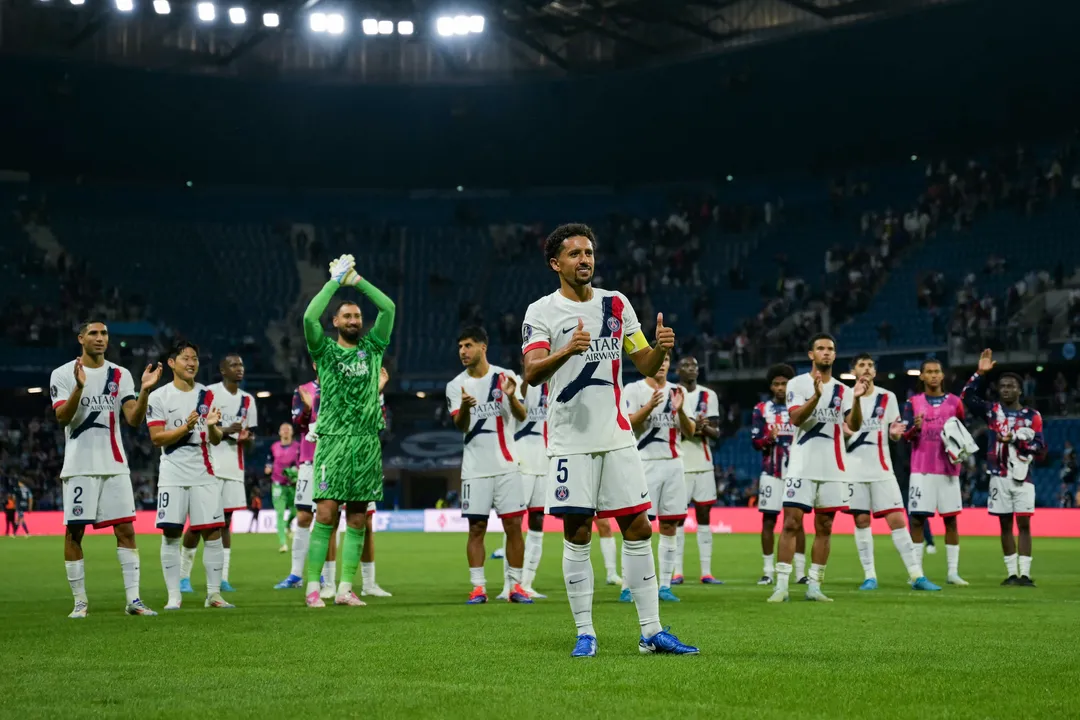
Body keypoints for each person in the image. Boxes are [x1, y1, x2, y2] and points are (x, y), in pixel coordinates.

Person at [521, 223, 697, 657]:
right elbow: (531, 371)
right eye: (575, 254)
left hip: (617, 437)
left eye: (589, 252)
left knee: (638, 526)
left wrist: (662, 349)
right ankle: (586, 632)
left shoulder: (616, 305)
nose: (585, 260)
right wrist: (566, 351)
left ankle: (652, 631)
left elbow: (643, 361)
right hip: (569, 440)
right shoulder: (540, 311)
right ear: (555, 263)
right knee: (578, 531)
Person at [301, 254, 395, 607]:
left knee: (358, 516)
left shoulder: (373, 349)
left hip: (367, 442)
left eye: (357, 316)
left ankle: (344, 589)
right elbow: (309, 316)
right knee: (325, 512)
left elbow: (388, 308)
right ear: (336, 321)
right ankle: (313, 587)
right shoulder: (323, 351)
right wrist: (334, 283)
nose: (354, 320)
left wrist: (356, 282)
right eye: (348, 316)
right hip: (334, 442)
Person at [50, 319, 161, 618]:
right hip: (79, 466)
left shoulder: (120, 374)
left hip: (114, 465)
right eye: (94, 334)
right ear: (81, 339)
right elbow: (62, 417)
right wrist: (79, 387)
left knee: (126, 530)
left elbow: (134, 420)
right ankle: (80, 603)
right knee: (74, 533)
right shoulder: (62, 374)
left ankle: (134, 600)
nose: (100, 338)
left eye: (104, 333)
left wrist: (145, 391)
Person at [767, 333, 867, 603]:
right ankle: (782, 586)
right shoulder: (798, 384)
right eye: (820, 348)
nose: (826, 353)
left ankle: (814, 585)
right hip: (801, 465)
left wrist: (856, 400)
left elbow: (854, 425)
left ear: (835, 355)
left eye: (830, 349)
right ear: (811, 354)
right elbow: (797, 418)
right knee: (791, 523)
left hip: (833, 467)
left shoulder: (844, 390)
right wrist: (815, 396)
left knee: (825, 526)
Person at [447, 326, 532, 604]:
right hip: (475, 469)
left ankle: (516, 586)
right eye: (460, 346)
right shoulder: (455, 385)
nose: (463, 351)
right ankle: (478, 587)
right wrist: (468, 408)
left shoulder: (506, 377)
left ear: (483, 347)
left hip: (507, 465)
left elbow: (521, 416)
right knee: (476, 529)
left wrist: (509, 396)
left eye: (468, 345)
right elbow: (460, 426)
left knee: (513, 527)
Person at [146, 340, 231, 610]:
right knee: (171, 533)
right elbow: (157, 438)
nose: (192, 363)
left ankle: (214, 595)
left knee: (213, 532)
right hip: (172, 472)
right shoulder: (159, 396)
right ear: (172, 363)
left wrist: (215, 427)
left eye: (194, 358)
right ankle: (174, 596)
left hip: (203, 470)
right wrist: (185, 427)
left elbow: (215, 439)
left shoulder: (207, 395)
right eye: (185, 358)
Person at [844, 354, 940, 591]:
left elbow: (894, 432)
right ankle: (870, 576)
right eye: (861, 365)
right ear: (854, 371)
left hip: (882, 469)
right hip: (854, 470)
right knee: (862, 520)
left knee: (897, 519)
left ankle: (917, 575)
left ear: (875, 371)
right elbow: (844, 432)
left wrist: (895, 434)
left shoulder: (888, 397)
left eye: (870, 365)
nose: (866, 369)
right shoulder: (845, 397)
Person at [962, 349, 1045, 586]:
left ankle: (1026, 575)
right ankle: (1011, 574)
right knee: (1005, 523)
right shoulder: (992, 412)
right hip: (998, 475)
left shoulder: (1032, 416)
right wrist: (979, 373)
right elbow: (966, 397)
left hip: (1023, 477)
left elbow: (1040, 447)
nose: (1006, 389)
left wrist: (1017, 441)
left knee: (1025, 524)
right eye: (1003, 386)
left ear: (1020, 390)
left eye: (1011, 386)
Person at [179, 353, 258, 593]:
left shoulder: (248, 400)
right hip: (209, 467)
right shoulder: (209, 393)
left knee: (225, 524)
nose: (239, 368)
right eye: (234, 365)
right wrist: (225, 429)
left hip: (234, 469)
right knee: (198, 524)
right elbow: (199, 427)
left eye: (241, 364)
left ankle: (222, 577)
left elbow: (250, 441)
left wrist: (246, 438)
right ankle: (183, 577)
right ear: (223, 370)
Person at [622, 355, 696, 602]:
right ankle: (627, 585)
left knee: (669, 525)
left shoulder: (678, 391)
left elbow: (690, 431)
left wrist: (681, 410)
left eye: (666, 360)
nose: (663, 364)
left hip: (674, 464)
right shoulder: (633, 389)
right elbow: (628, 423)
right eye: (659, 359)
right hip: (643, 464)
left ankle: (664, 585)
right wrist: (650, 406)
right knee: (636, 526)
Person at [902, 358, 966, 584]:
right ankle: (916, 573)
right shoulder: (913, 402)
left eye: (937, 371)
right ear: (921, 376)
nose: (933, 375)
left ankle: (952, 572)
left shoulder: (955, 403)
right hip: (921, 470)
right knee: (918, 520)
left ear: (942, 375)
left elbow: (961, 433)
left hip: (949, 470)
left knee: (951, 521)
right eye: (928, 372)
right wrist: (914, 429)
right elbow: (905, 435)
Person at [274, 373, 336, 599]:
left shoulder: (340, 385)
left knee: (328, 517)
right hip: (309, 461)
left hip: (333, 460)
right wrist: (308, 409)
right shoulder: (303, 389)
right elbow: (298, 423)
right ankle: (295, 575)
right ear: (314, 362)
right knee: (302, 516)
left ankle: (326, 578)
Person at [750, 364, 806, 585]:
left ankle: (800, 573)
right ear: (771, 386)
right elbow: (755, 442)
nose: (780, 387)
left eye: (784, 383)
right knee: (769, 521)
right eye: (776, 383)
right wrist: (769, 438)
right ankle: (767, 571)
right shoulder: (761, 409)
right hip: (771, 473)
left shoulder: (800, 408)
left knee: (798, 522)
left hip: (797, 472)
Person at [673, 356, 723, 586]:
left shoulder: (708, 395)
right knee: (677, 519)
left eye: (694, 365)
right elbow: (675, 431)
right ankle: (677, 572)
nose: (691, 369)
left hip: (703, 463)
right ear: (678, 370)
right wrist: (698, 427)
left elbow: (716, 432)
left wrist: (693, 428)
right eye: (686, 366)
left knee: (704, 516)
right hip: (679, 464)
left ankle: (706, 572)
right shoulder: (671, 392)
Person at [510, 375, 550, 598]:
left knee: (538, 520)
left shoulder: (554, 384)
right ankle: (511, 583)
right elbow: (521, 401)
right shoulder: (516, 382)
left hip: (545, 460)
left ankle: (527, 583)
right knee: (514, 522)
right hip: (522, 459)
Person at [267, 423, 300, 553]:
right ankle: (283, 544)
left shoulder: (298, 447)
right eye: (283, 429)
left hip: (293, 484)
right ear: (279, 433)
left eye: (288, 429)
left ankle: (288, 525)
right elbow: (269, 461)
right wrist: (268, 468)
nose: (285, 431)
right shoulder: (274, 447)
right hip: (278, 484)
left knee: (295, 511)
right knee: (279, 513)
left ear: (292, 433)